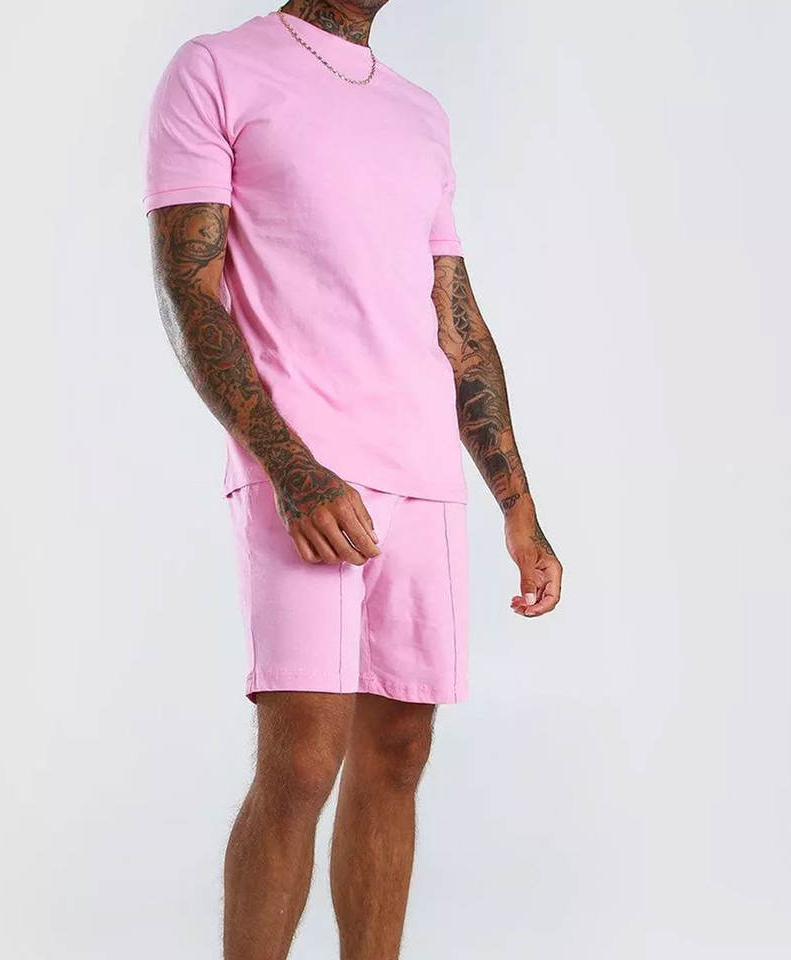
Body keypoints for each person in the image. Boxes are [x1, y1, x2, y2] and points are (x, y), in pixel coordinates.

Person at [144, 2, 562, 956]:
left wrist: (519, 506)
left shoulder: (420, 110)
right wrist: (291, 468)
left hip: (424, 473)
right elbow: (188, 291)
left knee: (399, 752)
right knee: (301, 758)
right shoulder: (215, 68)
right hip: (304, 465)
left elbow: (456, 320)